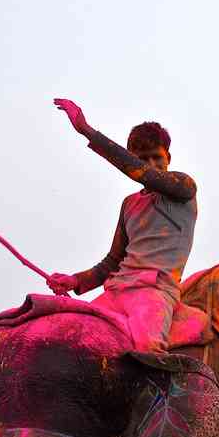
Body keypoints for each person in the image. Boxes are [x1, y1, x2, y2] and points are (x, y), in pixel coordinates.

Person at [45, 99, 198, 354]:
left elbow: (144, 174)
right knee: (73, 338)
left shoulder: (184, 188)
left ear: (168, 157)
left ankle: (171, 394)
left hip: (155, 292)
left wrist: (87, 131)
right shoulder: (130, 204)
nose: (151, 164)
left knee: (147, 349)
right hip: (117, 290)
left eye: (157, 157)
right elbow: (113, 261)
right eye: (143, 159)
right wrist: (74, 280)